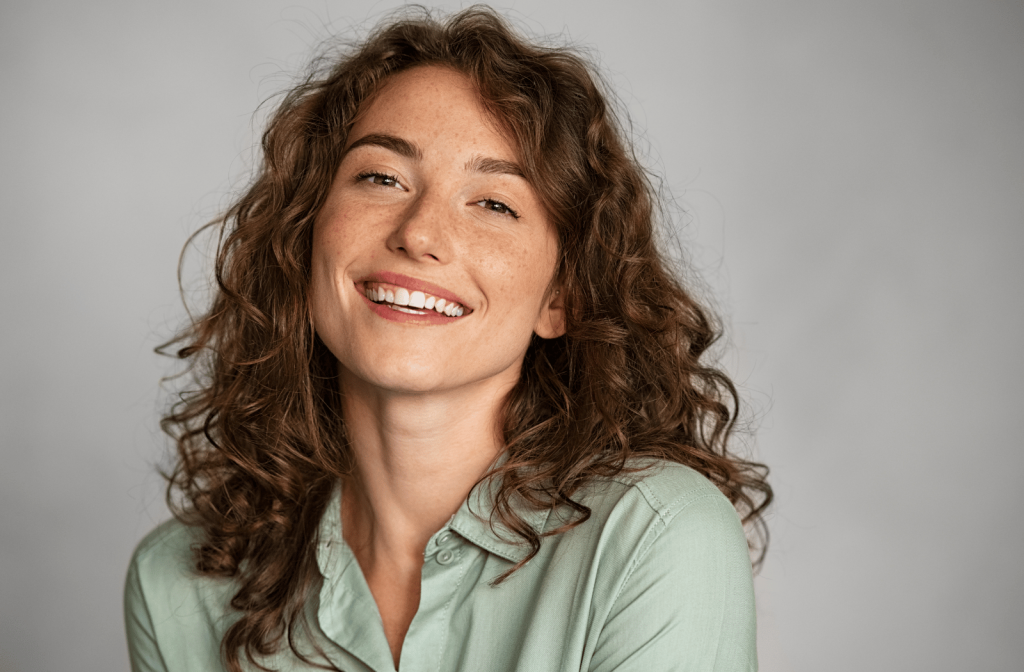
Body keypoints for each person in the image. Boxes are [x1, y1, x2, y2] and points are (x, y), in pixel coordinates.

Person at [124, 6, 772, 672]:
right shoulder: (179, 584)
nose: (419, 234)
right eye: (381, 178)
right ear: (304, 235)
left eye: (494, 203)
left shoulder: (655, 537)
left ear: (561, 298)